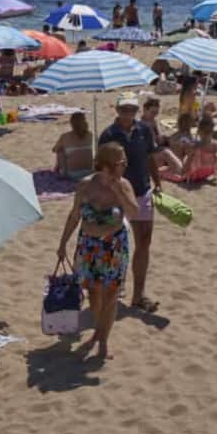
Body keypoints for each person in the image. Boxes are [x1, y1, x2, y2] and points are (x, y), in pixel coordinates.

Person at [56, 141, 141, 362]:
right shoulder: (85, 185)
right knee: (93, 294)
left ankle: (103, 340)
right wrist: (62, 243)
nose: (125, 165)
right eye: (121, 162)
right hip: (89, 246)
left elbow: (133, 213)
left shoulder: (124, 185)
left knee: (111, 295)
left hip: (114, 246)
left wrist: (118, 192)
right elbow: (74, 215)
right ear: (106, 165)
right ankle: (98, 330)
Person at [98, 96, 161, 313]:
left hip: (142, 191)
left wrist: (157, 182)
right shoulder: (108, 135)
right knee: (113, 243)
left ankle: (138, 295)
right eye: (124, 109)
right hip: (116, 195)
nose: (128, 113)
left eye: (132, 109)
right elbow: (100, 167)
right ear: (117, 110)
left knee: (144, 241)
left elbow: (150, 157)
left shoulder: (144, 130)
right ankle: (112, 288)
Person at [52, 112, 92, 177]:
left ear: (71, 123)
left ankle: (59, 172)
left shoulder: (65, 136)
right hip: (89, 171)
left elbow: (54, 149)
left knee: (60, 151)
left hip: (72, 174)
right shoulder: (90, 135)